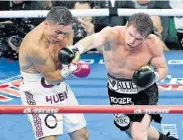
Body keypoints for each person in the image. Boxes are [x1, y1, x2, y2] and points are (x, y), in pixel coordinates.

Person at [60, 13, 178, 140]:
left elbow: (163, 68)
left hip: (144, 92)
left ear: (146, 37)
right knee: (128, 128)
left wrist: (153, 77)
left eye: (138, 39)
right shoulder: (112, 34)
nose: (132, 41)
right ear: (126, 25)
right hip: (117, 91)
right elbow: (93, 40)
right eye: (130, 34)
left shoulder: (153, 43)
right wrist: (76, 48)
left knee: (138, 134)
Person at [19, 6, 90, 140]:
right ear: (46, 24)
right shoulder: (35, 46)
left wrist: (73, 59)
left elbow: (69, 56)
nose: (61, 37)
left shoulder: (66, 32)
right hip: (37, 91)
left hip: (60, 87)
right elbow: (51, 78)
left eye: (65, 33)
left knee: (82, 136)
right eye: (57, 32)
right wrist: (71, 69)